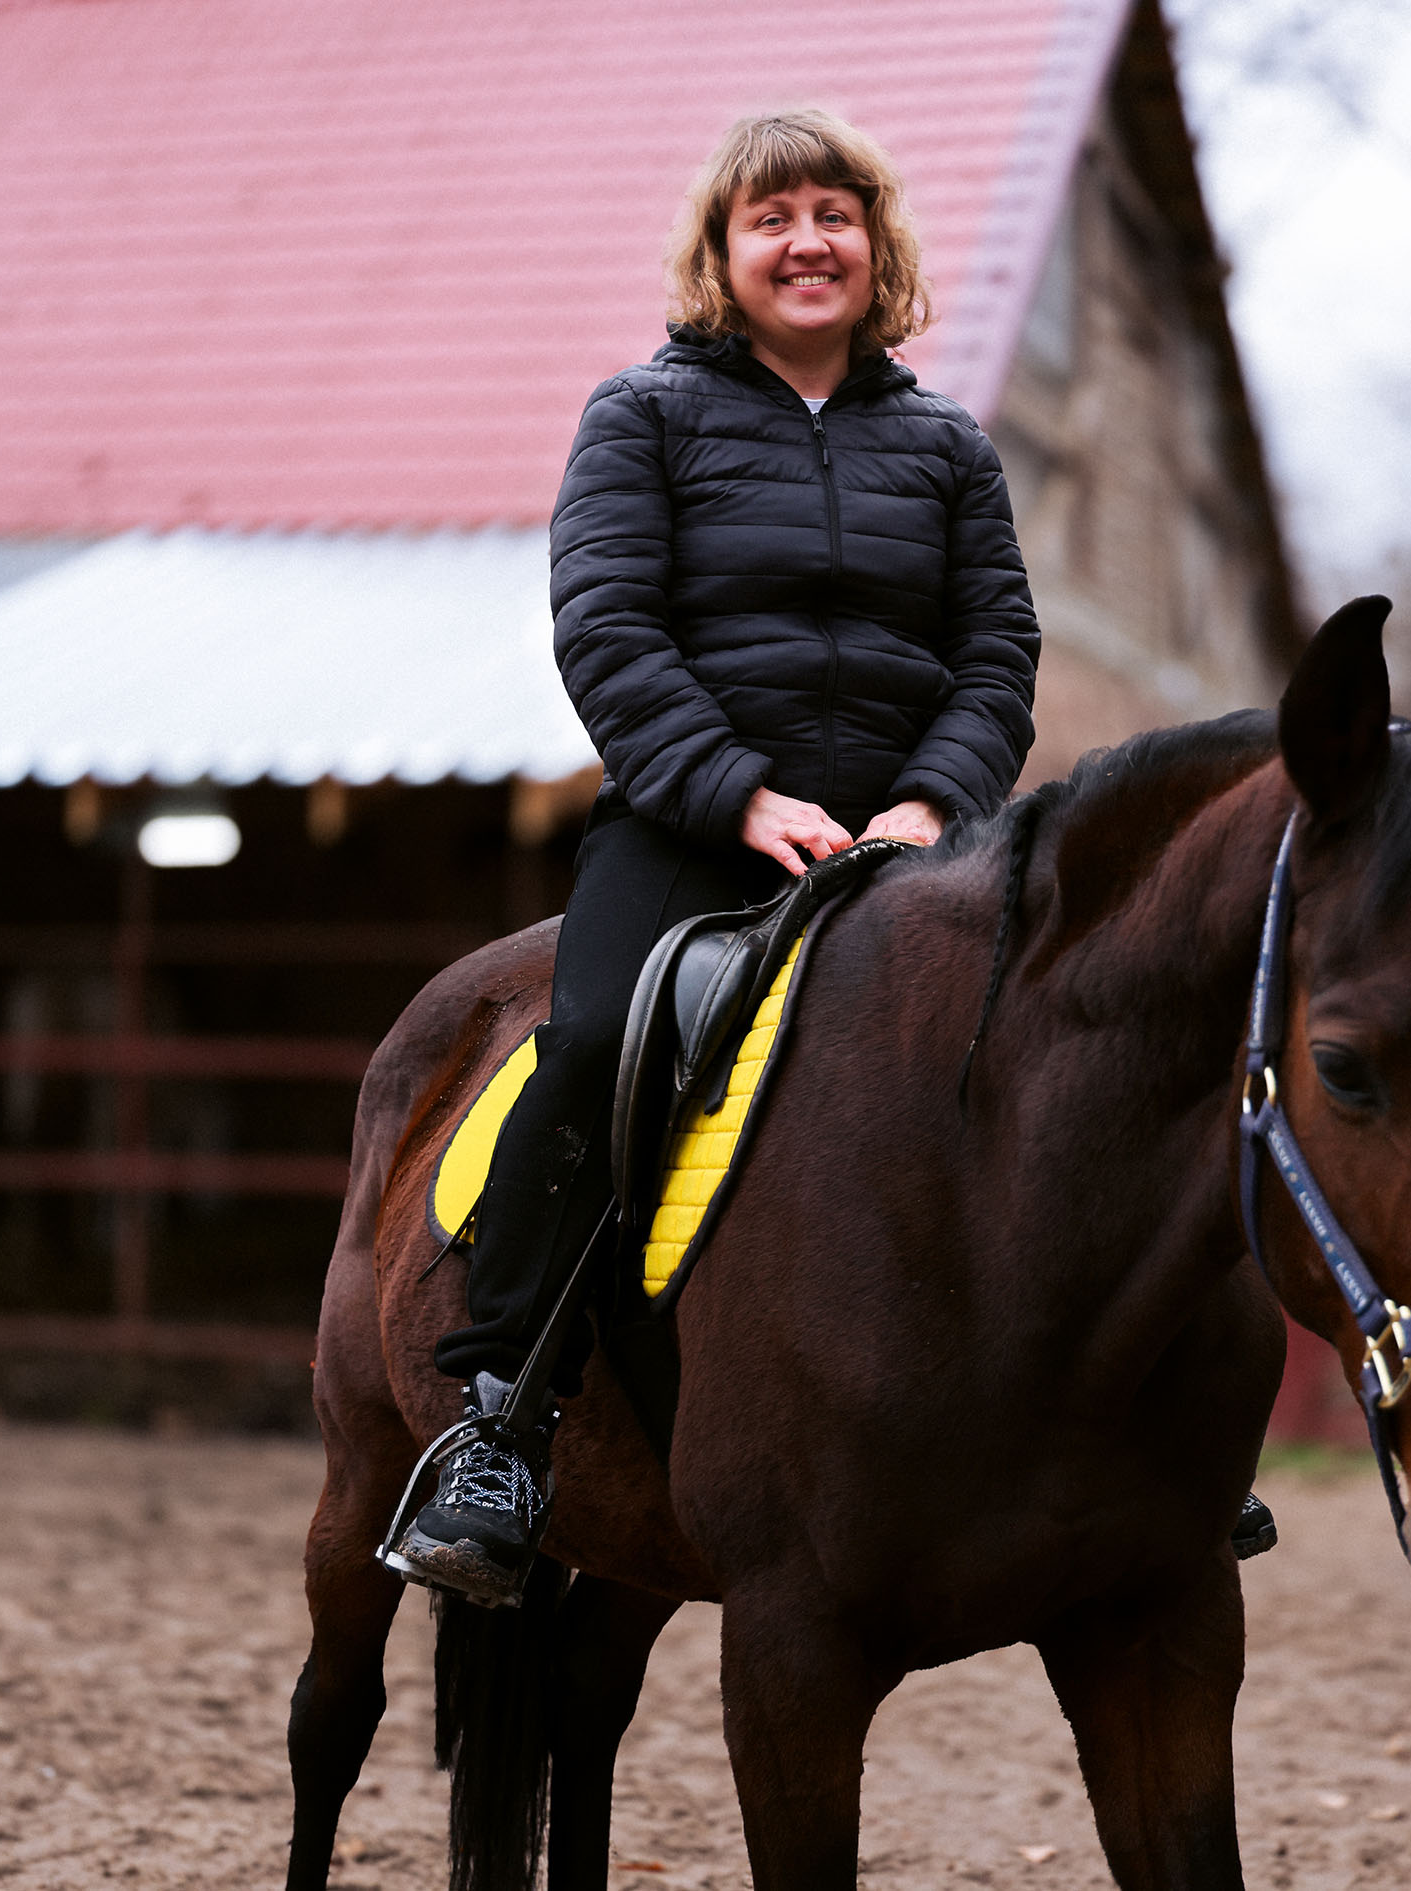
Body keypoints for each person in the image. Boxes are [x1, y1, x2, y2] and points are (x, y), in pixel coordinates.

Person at [381, 109, 1040, 1606]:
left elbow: (995, 648)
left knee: (1070, 1052)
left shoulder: (947, 445)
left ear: (877, 248)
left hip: (912, 841)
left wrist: (932, 806)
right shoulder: (642, 416)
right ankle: (501, 1426)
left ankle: (1112, 1429)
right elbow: (606, 628)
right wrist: (738, 795)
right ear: (721, 255)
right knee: (597, 1044)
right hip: (695, 826)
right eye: (772, 217)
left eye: (835, 213)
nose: (807, 241)